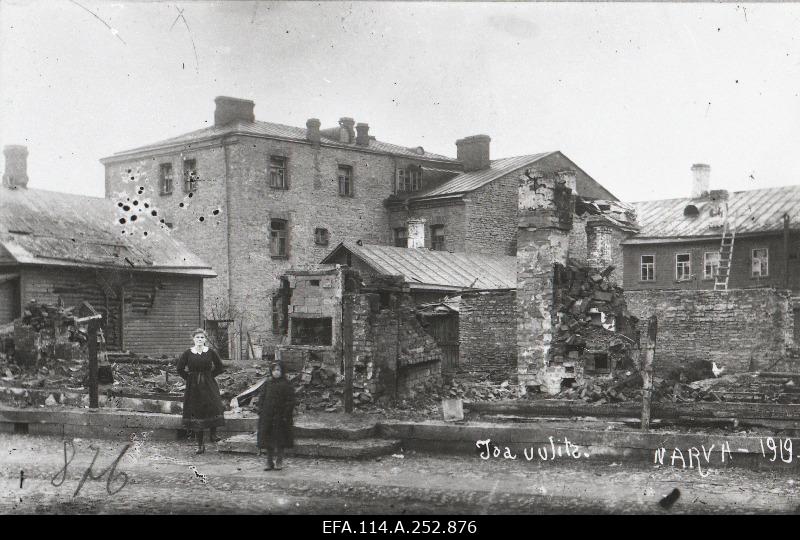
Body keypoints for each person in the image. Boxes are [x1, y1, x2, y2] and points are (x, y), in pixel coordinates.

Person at [176, 329, 225, 454]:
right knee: (197, 412)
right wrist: (189, 379)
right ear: (193, 339)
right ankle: (200, 445)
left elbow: (220, 367)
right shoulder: (188, 353)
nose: (199, 339)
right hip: (194, 387)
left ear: (205, 339)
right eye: (197, 337)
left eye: (202, 337)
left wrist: (210, 376)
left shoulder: (210, 352)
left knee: (213, 406)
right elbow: (179, 368)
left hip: (209, 384)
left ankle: (213, 434)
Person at [257, 360, 295, 470]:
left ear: (282, 371)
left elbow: (291, 400)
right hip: (268, 416)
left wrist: (286, 413)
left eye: (278, 370)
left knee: (280, 440)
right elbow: (262, 397)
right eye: (274, 370)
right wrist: (261, 410)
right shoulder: (267, 383)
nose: (276, 372)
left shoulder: (287, 384)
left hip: (281, 416)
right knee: (268, 440)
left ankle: (279, 460)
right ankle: (269, 462)